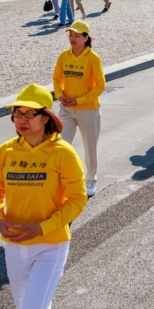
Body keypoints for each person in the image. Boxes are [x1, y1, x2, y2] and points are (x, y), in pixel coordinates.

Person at [0, 84, 86, 309]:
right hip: (14, 246)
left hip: (50, 247)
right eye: (18, 113)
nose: (22, 119)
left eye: (30, 113)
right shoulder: (5, 152)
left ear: (46, 117)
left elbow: (78, 199)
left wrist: (43, 228)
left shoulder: (62, 152)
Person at [53, 21, 105, 197]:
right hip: (66, 109)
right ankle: (65, 180)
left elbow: (100, 85)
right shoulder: (64, 56)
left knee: (90, 148)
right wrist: (60, 95)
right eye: (70, 35)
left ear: (86, 37)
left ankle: (91, 179)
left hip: (88, 110)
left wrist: (80, 100)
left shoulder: (93, 58)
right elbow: (57, 79)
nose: (72, 39)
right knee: (61, 145)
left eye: (77, 35)